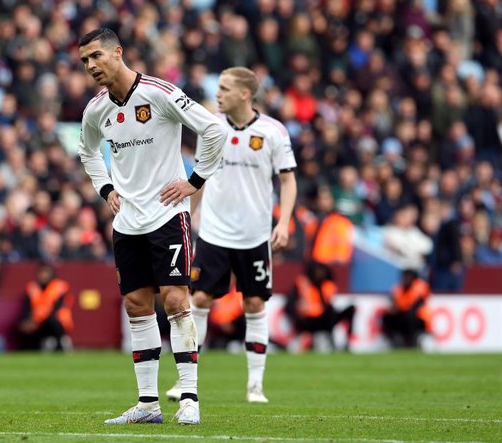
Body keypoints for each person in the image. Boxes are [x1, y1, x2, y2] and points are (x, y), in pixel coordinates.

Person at [77, 28, 227, 425]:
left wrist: (195, 182)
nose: (91, 66)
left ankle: (190, 399)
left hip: (166, 215)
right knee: (136, 305)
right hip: (127, 222)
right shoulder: (96, 110)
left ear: (118, 53)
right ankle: (147, 405)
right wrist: (105, 186)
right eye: (84, 61)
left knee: (176, 300)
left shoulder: (159, 93)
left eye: (95, 56)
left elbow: (213, 129)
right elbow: (87, 152)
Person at [166, 67, 297, 404]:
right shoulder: (211, 127)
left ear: (244, 94)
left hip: (254, 235)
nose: (218, 94)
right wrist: (191, 212)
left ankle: (255, 385)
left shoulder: (273, 132)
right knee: (201, 300)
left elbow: (287, 180)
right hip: (214, 232)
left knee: (254, 303)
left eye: (224, 88)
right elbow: (200, 175)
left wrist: (283, 223)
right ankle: (186, 381)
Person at [285, 261, 356, 352]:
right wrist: (297, 316)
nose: (320, 274)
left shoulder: (327, 284)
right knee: (329, 314)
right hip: (307, 320)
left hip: (325, 318)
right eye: (318, 271)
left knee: (347, 309)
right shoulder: (302, 283)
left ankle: (346, 343)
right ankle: (323, 342)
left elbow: (327, 304)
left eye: (322, 271)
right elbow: (290, 304)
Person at [17, 262, 74, 351]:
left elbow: (57, 308)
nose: (44, 275)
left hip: (56, 321)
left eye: (46, 272)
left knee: (52, 321)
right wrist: (28, 321)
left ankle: (59, 342)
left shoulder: (60, 286)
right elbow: (27, 308)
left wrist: (38, 320)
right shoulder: (32, 287)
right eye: (42, 272)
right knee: (24, 326)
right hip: (38, 321)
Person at [382, 269, 431, 348]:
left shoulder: (421, 287)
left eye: (407, 277)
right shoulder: (398, 288)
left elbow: (416, 305)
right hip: (403, 315)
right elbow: (395, 304)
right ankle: (393, 339)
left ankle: (412, 341)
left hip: (419, 318)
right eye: (404, 277)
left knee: (410, 316)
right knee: (387, 317)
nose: (405, 279)